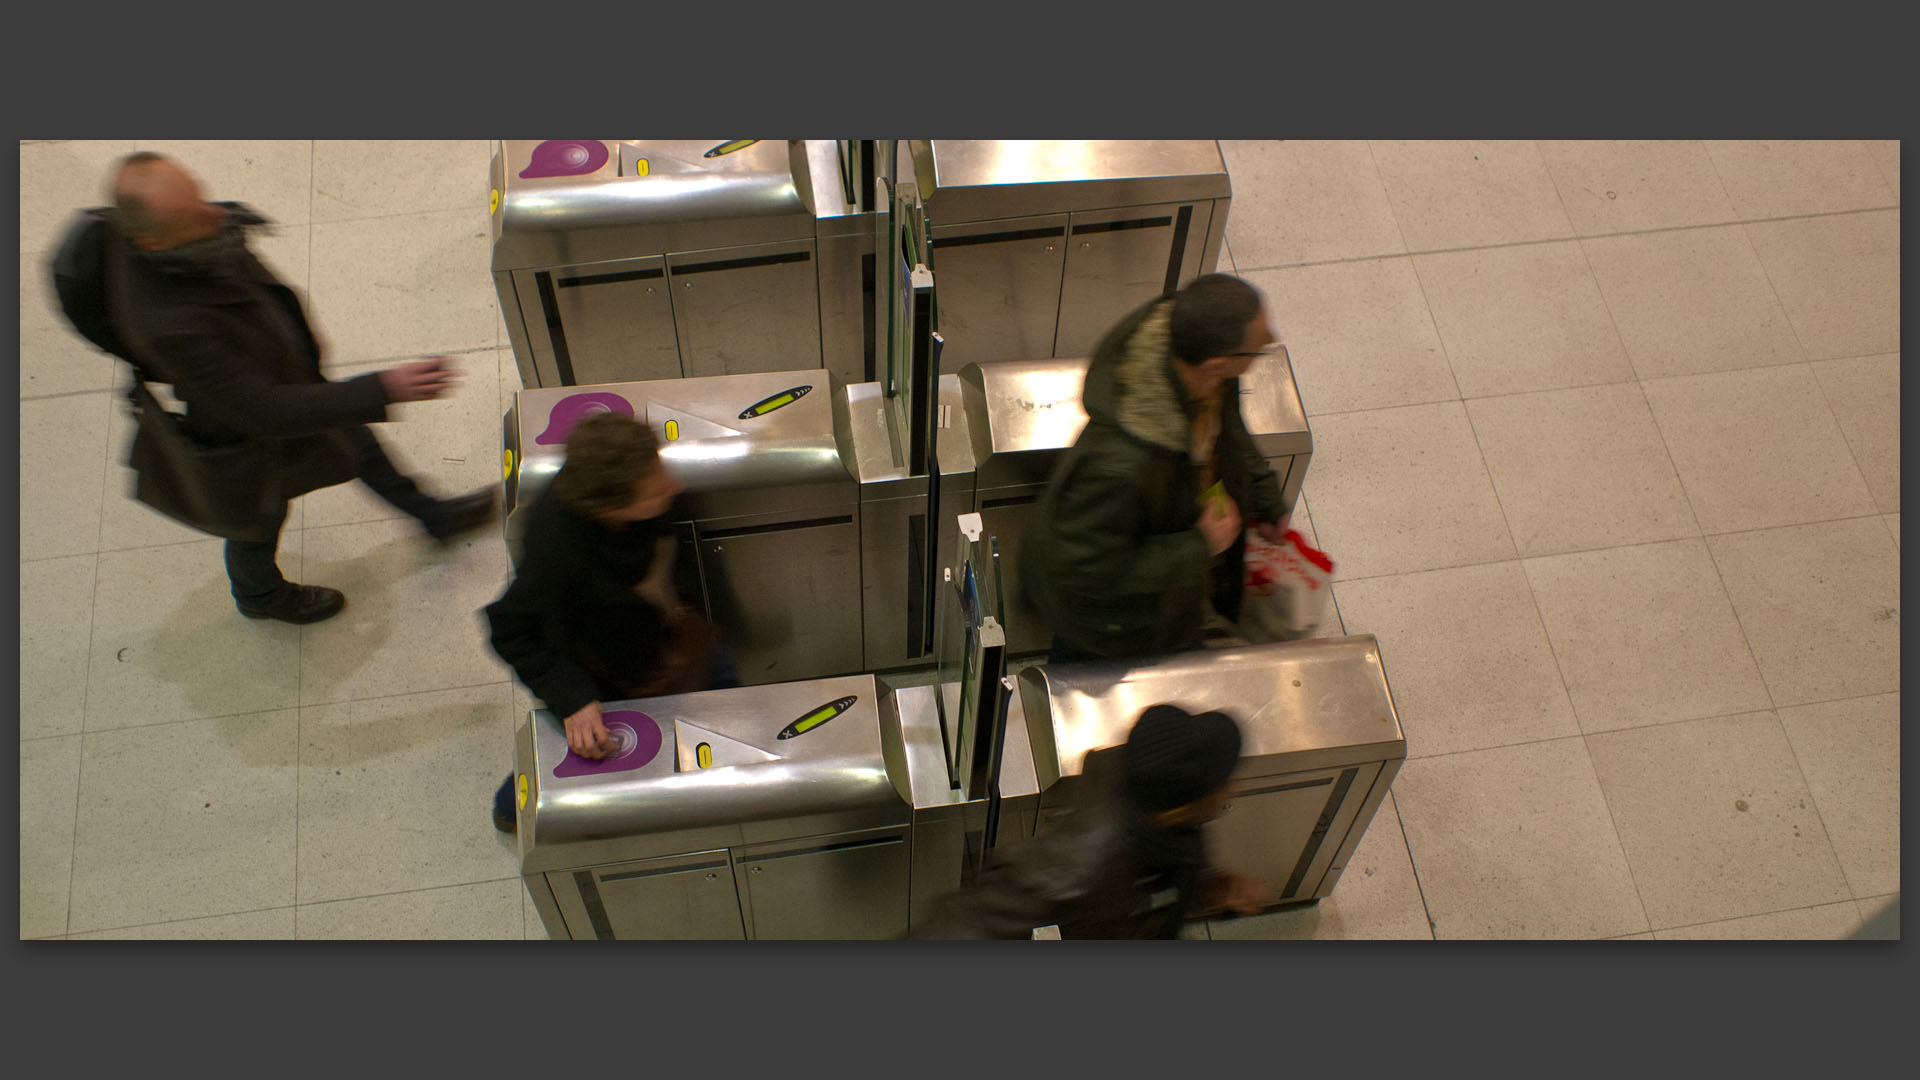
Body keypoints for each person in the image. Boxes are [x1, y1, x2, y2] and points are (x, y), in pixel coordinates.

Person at [91, 151, 496, 624]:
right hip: (242, 428)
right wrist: (382, 387)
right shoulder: (168, 324)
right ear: (153, 243)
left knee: (356, 440)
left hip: (280, 377)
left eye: (200, 195)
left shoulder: (176, 245)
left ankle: (432, 515)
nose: (217, 213)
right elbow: (263, 410)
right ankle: (259, 595)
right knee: (257, 517)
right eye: (196, 214)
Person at [485, 411, 736, 833]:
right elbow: (511, 630)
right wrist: (573, 700)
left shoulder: (629, 480)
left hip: (674, 638)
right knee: (590, 743)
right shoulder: (558, 552)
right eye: (656, 490)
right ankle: (515, 804)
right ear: (611, 509)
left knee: (726, 692)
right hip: (614, 669)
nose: (673, 485)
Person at [1021, 273, 1292, 662]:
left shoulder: (1201, 365)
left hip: (1169, 590)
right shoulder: (1120, 466)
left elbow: (1227, 431)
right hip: (1110, 625)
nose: (1268, 344)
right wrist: (1200, 545)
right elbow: (1085, 568)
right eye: (1259, 346)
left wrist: (1266, 497)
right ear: (1218, 364)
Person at [909, 703, 1269, 939]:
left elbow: (1166, 873)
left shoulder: (1163, 806)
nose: (1232, 788)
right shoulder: (1078, 863)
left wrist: (1208, 888)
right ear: (1187, 801)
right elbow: (963, 922)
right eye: (1224, 783)